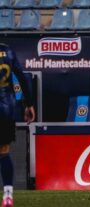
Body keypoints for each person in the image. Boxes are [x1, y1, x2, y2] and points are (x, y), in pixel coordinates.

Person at [0, 43, 35, 207]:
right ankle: (8, 195)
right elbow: (22, 77)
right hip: (6, 108)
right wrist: (29, 104)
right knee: (4, 151)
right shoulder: (8, 51)